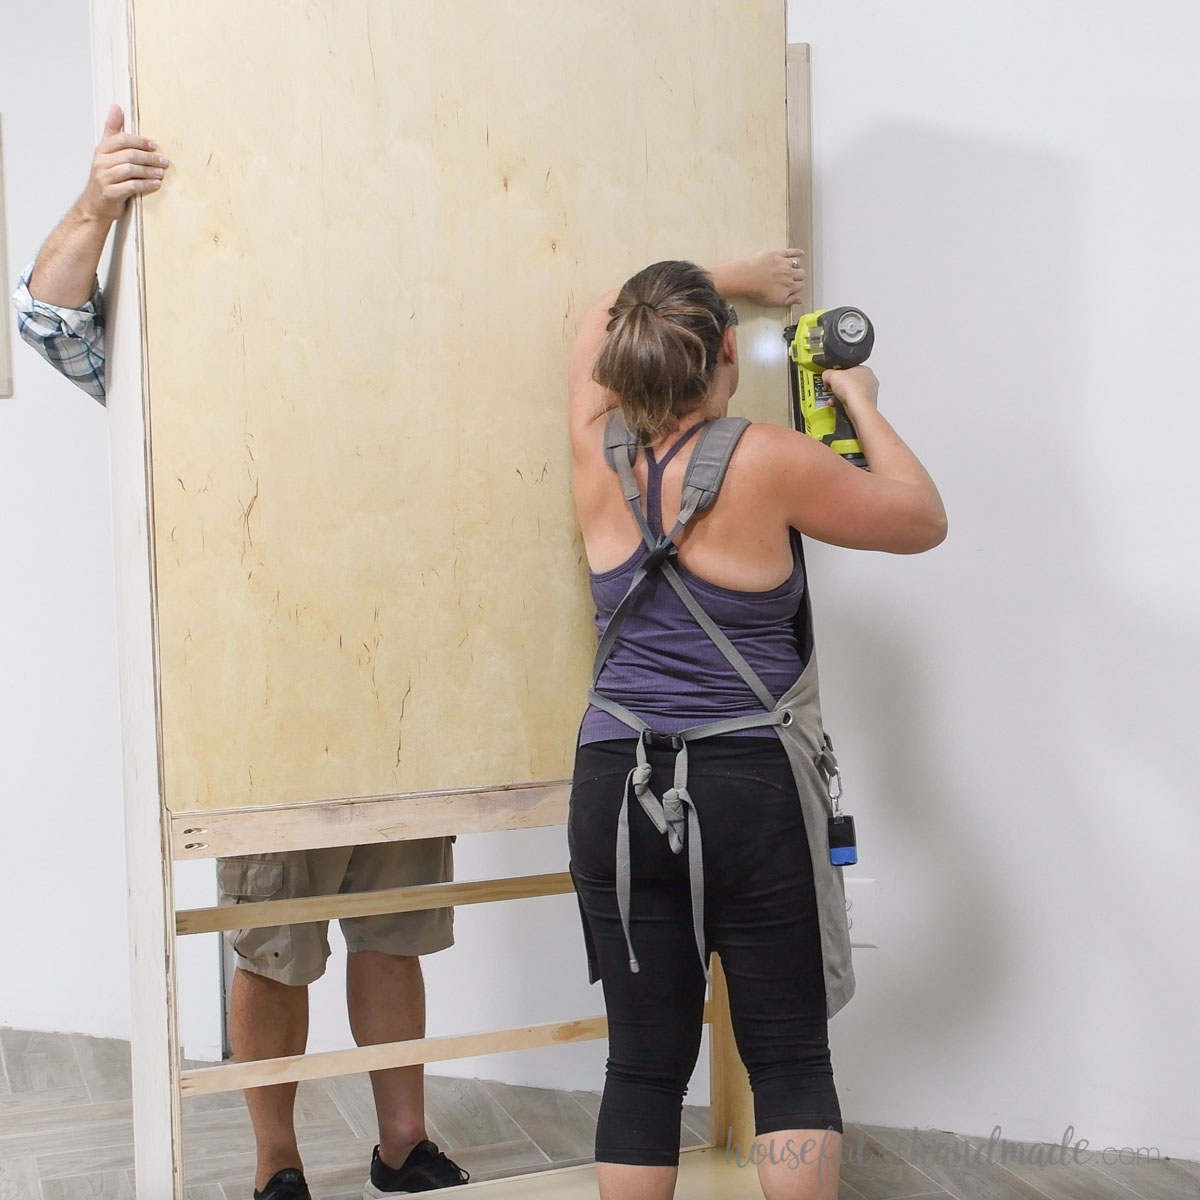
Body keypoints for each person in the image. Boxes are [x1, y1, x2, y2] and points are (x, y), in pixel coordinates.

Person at [11, 105, 467, 1200]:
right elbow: (47, 315)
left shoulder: (405, 334)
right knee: (274, 943)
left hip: (406, 677)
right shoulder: (197, 328)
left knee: (394, 928)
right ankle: (277, 1164)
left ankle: (404, 1144)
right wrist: (101, 199)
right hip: (267, 690)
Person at [566, 251, 947, 1200]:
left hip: (614, 783)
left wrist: (720, 270)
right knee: (785, 1057)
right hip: (749, 790)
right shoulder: (770, 458)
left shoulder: (591, 445)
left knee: (643, 1066)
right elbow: (921, 518)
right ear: (729, 351)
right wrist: (858, 400)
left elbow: (598, 310)